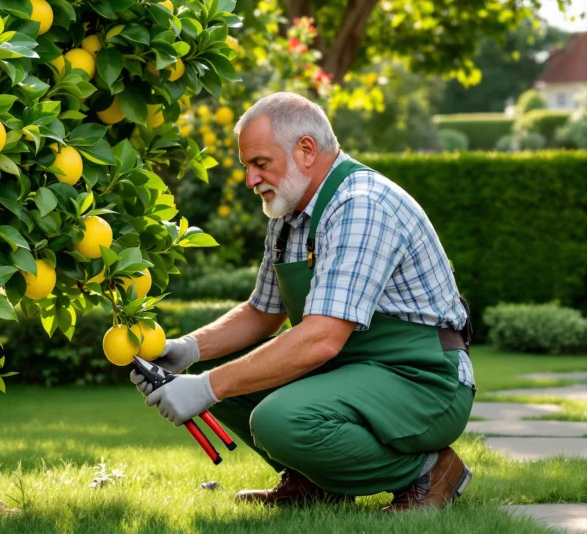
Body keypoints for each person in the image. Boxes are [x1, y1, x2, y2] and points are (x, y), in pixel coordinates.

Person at [131, 92, 476, 512]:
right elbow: (262, 312)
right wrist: (184, 353)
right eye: (247, 167)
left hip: (423, 378)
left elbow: (322, 340)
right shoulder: (289, 218)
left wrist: (205, 389)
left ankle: (429, 470)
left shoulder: (361, 206)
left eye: (260, 164)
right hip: (355, 369)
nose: (250, 181)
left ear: (306, 150)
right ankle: (315, 482)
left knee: (278, 420)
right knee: (222, 373)